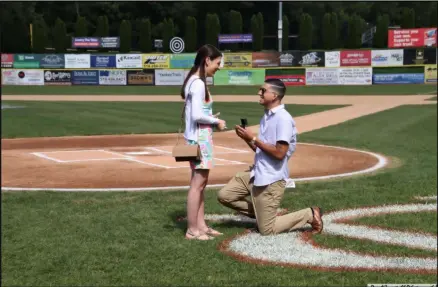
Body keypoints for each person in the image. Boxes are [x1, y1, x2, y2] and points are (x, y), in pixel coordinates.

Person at [217, 78, 323, 236]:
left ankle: (309, 214)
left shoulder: (283, 119)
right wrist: (247, 139)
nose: (258, 93)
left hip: (270, 179)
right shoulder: (268, 116)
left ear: (274, 95)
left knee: (267, 230)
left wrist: (253, 138)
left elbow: (280, 153)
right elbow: (262, 150)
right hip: (257, 173)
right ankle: (263, 215)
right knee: (225, 195)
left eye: (263, 90)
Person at [180, 44, 227, 240]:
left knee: (201, 183)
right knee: (197, 184)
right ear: (207, 60)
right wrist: (216, 121)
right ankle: (193, 229)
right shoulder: (198, 83)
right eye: (217, 62)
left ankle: (201, 225)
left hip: (197, 137)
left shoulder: (194, 80)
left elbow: (197, 113)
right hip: (200, 139)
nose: (219, 67)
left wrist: (210, 118)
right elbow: (198, 115)